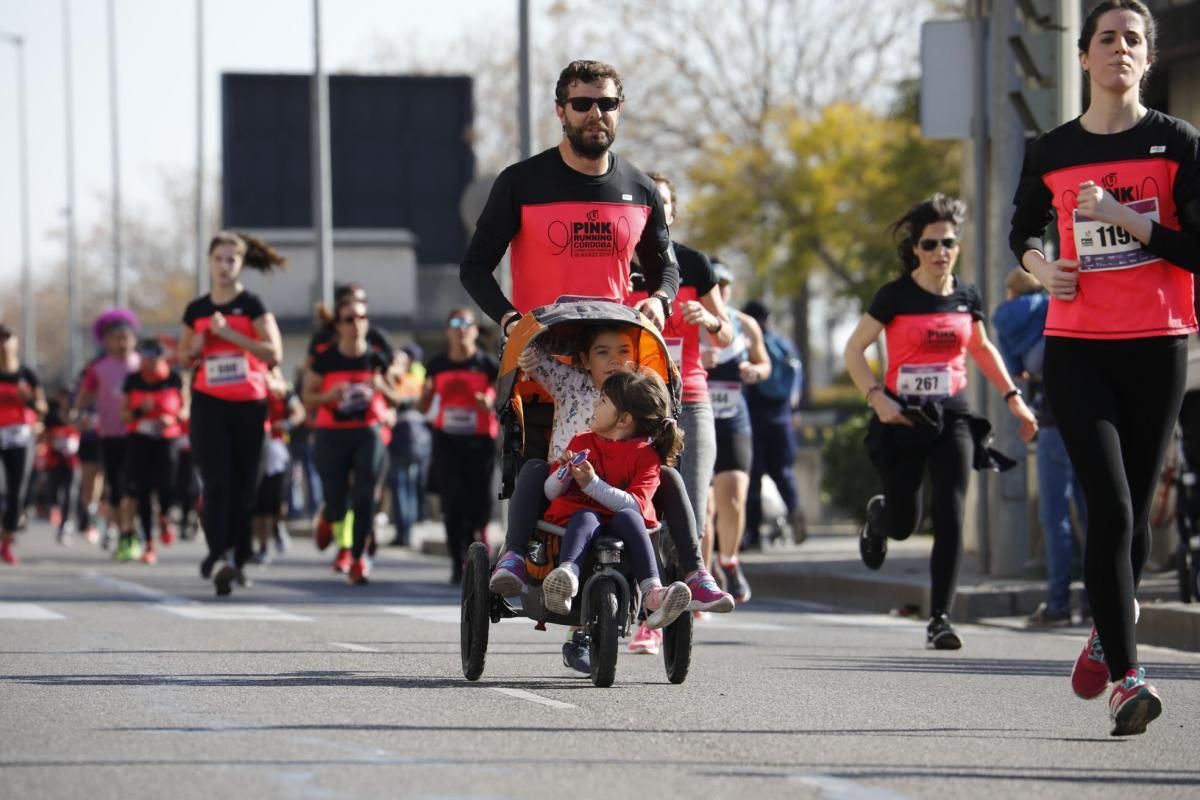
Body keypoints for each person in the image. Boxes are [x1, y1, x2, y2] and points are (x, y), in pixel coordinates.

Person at [1009, 0, 1199, 736]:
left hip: (1159, 345)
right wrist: (1040, 265)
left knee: (1135, 525)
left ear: (1146, 58)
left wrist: (1128, 221)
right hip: (1078, 348)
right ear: (1083, 56)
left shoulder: (1176, 143)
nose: (1120, 48)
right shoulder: (1052, 149)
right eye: (1107, 38)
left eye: (1133, 39)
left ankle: (1104, 633)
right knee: (1112, 511)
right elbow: (1023, 230)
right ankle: (1128, 678)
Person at [845, 193, 1038, 650]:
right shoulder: (894, 297)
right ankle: (878, 518)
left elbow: (981, 348)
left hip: (951, 413)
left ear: (958, 246)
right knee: (903, 524)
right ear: (915, 248)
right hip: (902, 415)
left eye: (947, 243)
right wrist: (877, 399)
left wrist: (1012, 397)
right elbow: (854, 350)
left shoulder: (966, 295)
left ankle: (940, 619)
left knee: (951, 515)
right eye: (930, 245)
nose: (939, 253)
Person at [460, 59, 679, 336]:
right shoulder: (519, 182)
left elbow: (666, 267)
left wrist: (660, 301)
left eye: (607, 103)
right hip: (539, 355)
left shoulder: (642, 189)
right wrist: (511, 320)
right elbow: (474, 268)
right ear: (561, 112)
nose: (596, 113)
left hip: (613, 358)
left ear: (619, 110)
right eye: (581, 104)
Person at [540, 370, 692, 630]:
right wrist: (564, 473)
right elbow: (550, 492)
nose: (595, 406)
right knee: (586, 516)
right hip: (580, 519)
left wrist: (592, 484)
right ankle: (567, 578)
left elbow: (635, 504)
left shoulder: (646, 456)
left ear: (624, 419)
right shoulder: (582, 441)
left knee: (630, 516)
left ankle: (652, 592)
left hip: (624, 523)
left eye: (602, 402)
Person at [179, 231, 284, 596]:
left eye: (231, 260)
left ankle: (238, 557)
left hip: (249, 406)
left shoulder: (252, 305)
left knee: (244, 487)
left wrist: (229, 335)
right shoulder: (197, 310)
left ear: (240, 264)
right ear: (209, 262)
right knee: (217, 482)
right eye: (218, 259)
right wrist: (195, 345)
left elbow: (274, 353)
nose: (224, 266)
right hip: (209, 404)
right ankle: (218, 554)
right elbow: (182, 357)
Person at [992, 268, 1089, 627]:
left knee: (1055, 515)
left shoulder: (1005, 318)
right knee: (1092, 510)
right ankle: (1099, 603)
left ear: (1012, 291)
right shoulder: (1058, 303)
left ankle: (1058, 603)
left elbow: (1013, 371)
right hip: (1090, 417)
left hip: (1051, 419)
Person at [304, 297, 401, 585]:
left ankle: (359, 558)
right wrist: (329, 395)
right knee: (337, 502)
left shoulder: (376, 359)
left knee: (364, 497)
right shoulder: (326, 359)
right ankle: (328, 515)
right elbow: (307, 395)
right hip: (331, 434)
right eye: (349, 319)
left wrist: (381, 386)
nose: (356, 324)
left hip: (367, 431)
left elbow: (397, 398)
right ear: (338, 326)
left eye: (361, 318)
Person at [701, 265, 772, 606]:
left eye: (726, 284)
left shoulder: (744, 324)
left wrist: (755, 371)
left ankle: (729, 560)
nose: (721, 290)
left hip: (732, 418)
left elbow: (765, 363)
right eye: (715, 284)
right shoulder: (691, 319)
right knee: (704, 503)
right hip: (697, 416)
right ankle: (701, 570)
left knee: (734, 497)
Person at [421, 308, 499, 584]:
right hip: (447, 439)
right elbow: (423, 405)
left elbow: (500, 398)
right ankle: (457, 560)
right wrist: (427, 393)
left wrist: (489, 402)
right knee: (452, 500)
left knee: (480, 498)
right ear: (447, 330)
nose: (461, 329)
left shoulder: (488, 364)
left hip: (480, 439)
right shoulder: (437, 364)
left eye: (467, 324)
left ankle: (478, 534)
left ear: (475, 331)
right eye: (455, 323)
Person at [742, 299, 807, 549]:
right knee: (784, 471)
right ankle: (795, 513)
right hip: (781, 415)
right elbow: (797, 382)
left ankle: (753, 533)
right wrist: (794, 410)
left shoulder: (749, 344)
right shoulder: (785, 344)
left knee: (753, 476)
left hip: (753, 415)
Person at [76, 310, 140, 552]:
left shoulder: (141, 364)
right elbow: (84, 398)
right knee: (114, 486)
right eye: (117, 337)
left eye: (127, 337)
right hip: (109, 434)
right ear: (107, 340)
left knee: (132, 486)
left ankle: (130, 529)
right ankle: (116, 530)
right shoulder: (98, 368)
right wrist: (81, 415)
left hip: (137, 435)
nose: (122, 342)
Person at [120, 338, 186, 565]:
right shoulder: (133, 380)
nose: (148, 363)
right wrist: (140, 410)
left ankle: (165, 515)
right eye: (145, 358)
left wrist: (173, 417)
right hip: (140, 439)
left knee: (167, 484)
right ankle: (149, 543)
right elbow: (125, 415)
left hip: (167, 438)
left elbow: (186, 410)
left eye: (153, 358)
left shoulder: (174, 378)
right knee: (142, 491)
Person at [0, 325, 46, 564]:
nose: (4, 346)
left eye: (8, 340)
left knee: (18, 489)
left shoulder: (27, 374)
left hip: (20, 436)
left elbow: (42, 408)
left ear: (16, 343)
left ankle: (7, 541)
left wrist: (28, 401)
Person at [253, 368, 304, 563]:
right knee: (258, 503)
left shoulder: (284, 391)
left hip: (278, 449)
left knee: (278, 498)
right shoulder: (250, 388)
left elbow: (299, 413)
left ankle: (278, 525)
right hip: (255, 450)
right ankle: (263, 545)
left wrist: (286, 424)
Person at [386, 345, 431, 548]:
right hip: (421, 436)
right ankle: (408, 530)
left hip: (402, 435)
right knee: (411, 486)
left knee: (400, 486)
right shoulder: (419, 378)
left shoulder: (398, 378)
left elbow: (394, 401)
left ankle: (403, 532)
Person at [42, 398, 81, 545]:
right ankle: (55, 511)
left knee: (70, 493)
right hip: (55, 464)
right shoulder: (52, 427)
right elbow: (46, 441)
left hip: (72, 465)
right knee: (55, 492)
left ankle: (66, 523)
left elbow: (74, 445)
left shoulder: (74, 429)